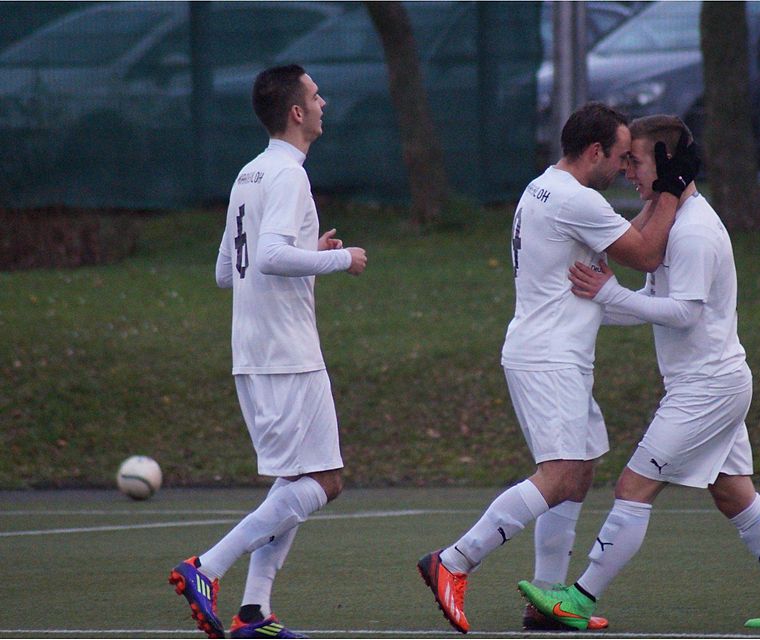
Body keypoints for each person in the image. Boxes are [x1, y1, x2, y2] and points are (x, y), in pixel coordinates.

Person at [519, 115, 760, 630]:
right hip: (709, 384)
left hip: (707, 389)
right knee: (733, 493)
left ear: (666, 164)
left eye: (635, 161)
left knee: (632, 488)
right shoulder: (672, 223)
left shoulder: (694, 232)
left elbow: (684, 310)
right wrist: (591, 302)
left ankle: (580, 598)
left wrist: (609, 294)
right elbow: (650, 301)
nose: (626, 172)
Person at [416, 102, 697, 634]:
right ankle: (453, 561)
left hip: (552, 351)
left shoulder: (544, 186)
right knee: (561, 475)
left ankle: (545, 599)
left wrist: (632, 294)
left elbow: (616, 244)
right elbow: (646, 253)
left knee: (579, 474)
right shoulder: (574, 199)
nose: (622, 167)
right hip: (548, 358)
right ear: (594, 152)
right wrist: (672, 189)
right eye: (618, 156)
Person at [168, 64, 367, 639]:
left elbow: (229, 272)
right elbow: (272, 258)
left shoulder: (248, 174)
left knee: (299, 478)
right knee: (324, 481)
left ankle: (254, 612)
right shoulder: (287, 176)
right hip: (288, 353)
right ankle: (206, 566)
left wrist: (307, 247)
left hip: (255, 352)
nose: (324, 101)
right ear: (297, 113)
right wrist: (338, 258)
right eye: (315, 95)